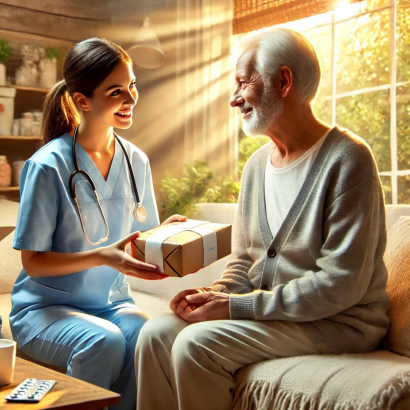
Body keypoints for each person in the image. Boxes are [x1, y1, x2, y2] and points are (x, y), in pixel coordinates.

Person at [134, 27, 390, 410]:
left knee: (195, 344)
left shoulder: (348, 159)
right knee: (154, 334)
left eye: (243, 83)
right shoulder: (255, 167)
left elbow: (342, 284)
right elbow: (245, 260)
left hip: (337, 323)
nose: (235, 99)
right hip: (276, 314)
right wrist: (218, 294)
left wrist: (237, 307)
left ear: (283, 81)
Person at [10, 37, 184, 410]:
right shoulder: (47, 166)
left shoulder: (136, 161)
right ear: (82, 101)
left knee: (147, 334)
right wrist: (102, 257)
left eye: (132, 85)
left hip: (112, 303)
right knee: (102, 341)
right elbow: (32, 262)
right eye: (116, 91)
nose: (131, 98)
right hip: (44, 310)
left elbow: (139, 243)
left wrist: (168, 233)